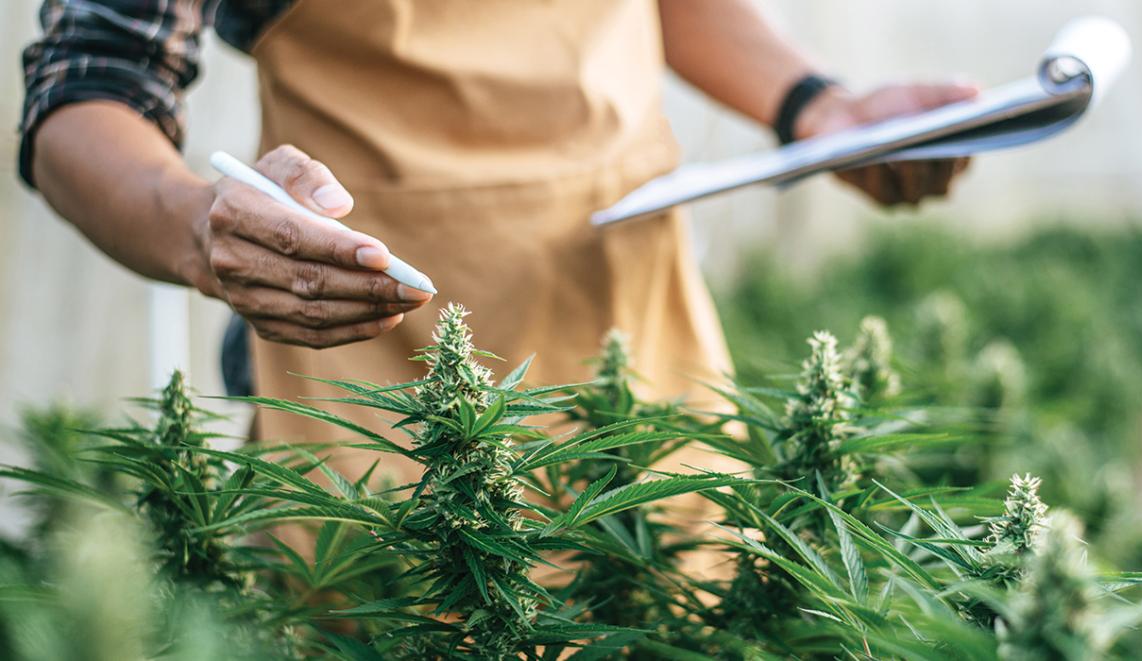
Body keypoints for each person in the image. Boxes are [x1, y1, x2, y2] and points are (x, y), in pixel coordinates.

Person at [20, 0, 974, 483]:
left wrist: (816, 105)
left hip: (642, 359)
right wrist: (201, 229)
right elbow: (87, 89)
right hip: (377, 391)